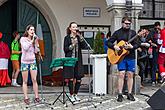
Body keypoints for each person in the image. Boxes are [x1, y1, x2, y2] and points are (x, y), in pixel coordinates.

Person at [106, 16, 141, 102]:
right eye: (126, 23)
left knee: (130, 74)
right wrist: (115, 46)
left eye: (129, 24)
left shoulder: (133, 33)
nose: (128, 25)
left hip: (131, 56)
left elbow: (138, 44)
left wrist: (132, 46)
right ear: (122, 23)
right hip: (121, 57)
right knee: (121, 74)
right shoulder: (117, 33)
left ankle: (129, 93)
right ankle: (120, 94)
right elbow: (108, 42)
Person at [63, 22, 87, 102]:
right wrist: (72, 45)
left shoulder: (78, 37)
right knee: (71, 78)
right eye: (73, 27)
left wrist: (80, 38)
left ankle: (76, 94)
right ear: (70, 28)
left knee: (79, 78)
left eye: (76, 27)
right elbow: (65, 49)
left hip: (78, 60)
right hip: (70, 60)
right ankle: (71, 95)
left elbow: (84, 46)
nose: (75, 28)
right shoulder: (67, 38)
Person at [20, 24, 40, 105]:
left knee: (34, 79)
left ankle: (36, 96)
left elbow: (36, 51)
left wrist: (36, 44)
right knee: (25, 81)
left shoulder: (35, 39)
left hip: (33, 61)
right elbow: (25, 48)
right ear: (27, 31)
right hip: (24, 62)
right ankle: (26, 97)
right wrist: (31, 41)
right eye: (31, 30)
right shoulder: (23, 39)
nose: (32, 31)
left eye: (33, 30)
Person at [147, 22, 162, 86]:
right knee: (154, 65)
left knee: (161, 65)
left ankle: (160, 78)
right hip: (155, 50)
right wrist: (152, 44)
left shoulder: (162, 31)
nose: (158, 28)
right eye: (157, 27)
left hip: (161, 50)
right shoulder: (152, 32)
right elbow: (148, 40)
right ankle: (153, 79)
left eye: (159, 26)